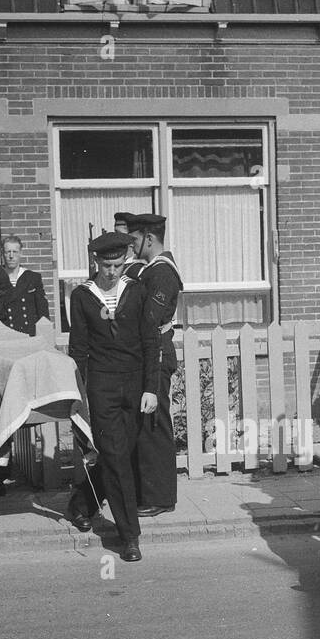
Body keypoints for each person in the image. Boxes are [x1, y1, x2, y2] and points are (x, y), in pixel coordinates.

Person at [65, 232, 159, 562]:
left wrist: (151, 388)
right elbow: (78, 349)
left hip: (135, 387)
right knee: (116, 455)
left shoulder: (137, 291)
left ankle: (81, 503)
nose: (112, 272)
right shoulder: (81, 296)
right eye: (106, 266)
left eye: (118, 265)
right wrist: (77, 395)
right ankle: (129, 535)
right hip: (102, 386)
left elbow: (151, 343)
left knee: (120, 453)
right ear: (96, 263)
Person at [125, 213, 180, 517]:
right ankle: (148, 493)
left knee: (155, 423)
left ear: (149, 238)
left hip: (157, 353)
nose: (131, 244)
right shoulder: (149, 270)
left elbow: (149, 320)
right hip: (150, 353)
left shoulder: (162, 273)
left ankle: (161, 498)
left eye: (134, 239)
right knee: (146, 424)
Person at [0, 235, 50, 337]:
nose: (11, 256)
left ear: (21, 253)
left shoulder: (32, 278)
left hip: (29, 335)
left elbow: (43, 313)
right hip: (6, 336)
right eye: (8, 252)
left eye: (15, 252)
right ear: (3, 254)